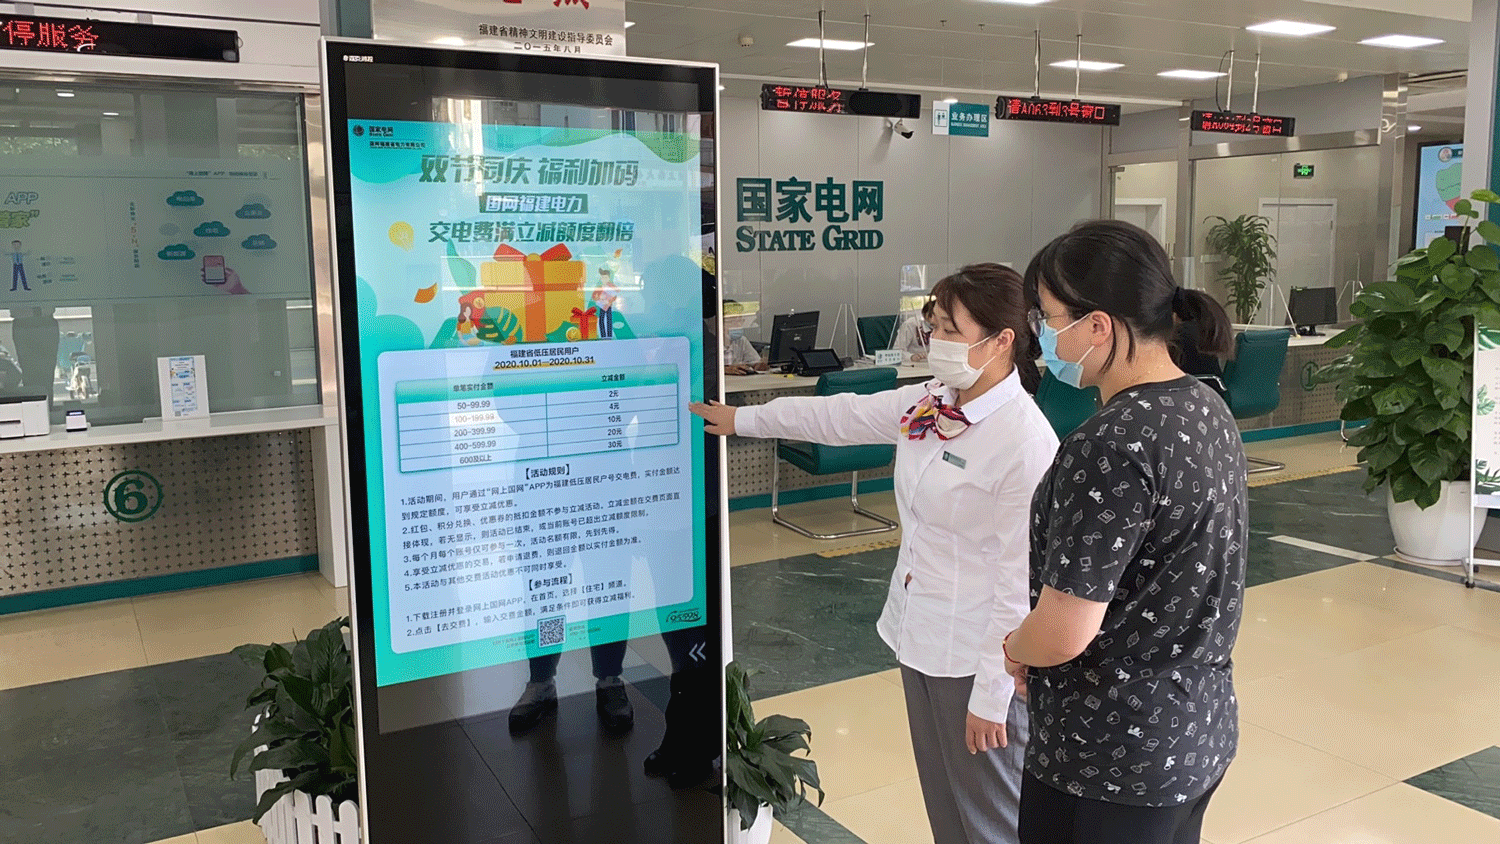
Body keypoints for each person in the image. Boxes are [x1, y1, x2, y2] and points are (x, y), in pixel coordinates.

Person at [691, 264, 1058, 844]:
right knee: (946, 808)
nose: (935, 341)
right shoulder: (933, 402)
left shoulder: (1025, 442)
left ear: (1001, 341)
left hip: (975, 660)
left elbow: (1021, 584)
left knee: (992, 821)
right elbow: (840, 415)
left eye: (950, 330)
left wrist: (992, 696)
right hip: (919, 637)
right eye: (934, 326)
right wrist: (741, 419)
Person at [1003, 220, 1247, 844]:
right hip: (1194, 730)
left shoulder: (1109, 444)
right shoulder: (1204, 405)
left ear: (1098, 327)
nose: (1041, 334)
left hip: (1107, 759)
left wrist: (1017, 647)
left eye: (1047, 316)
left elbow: (1064, 631)